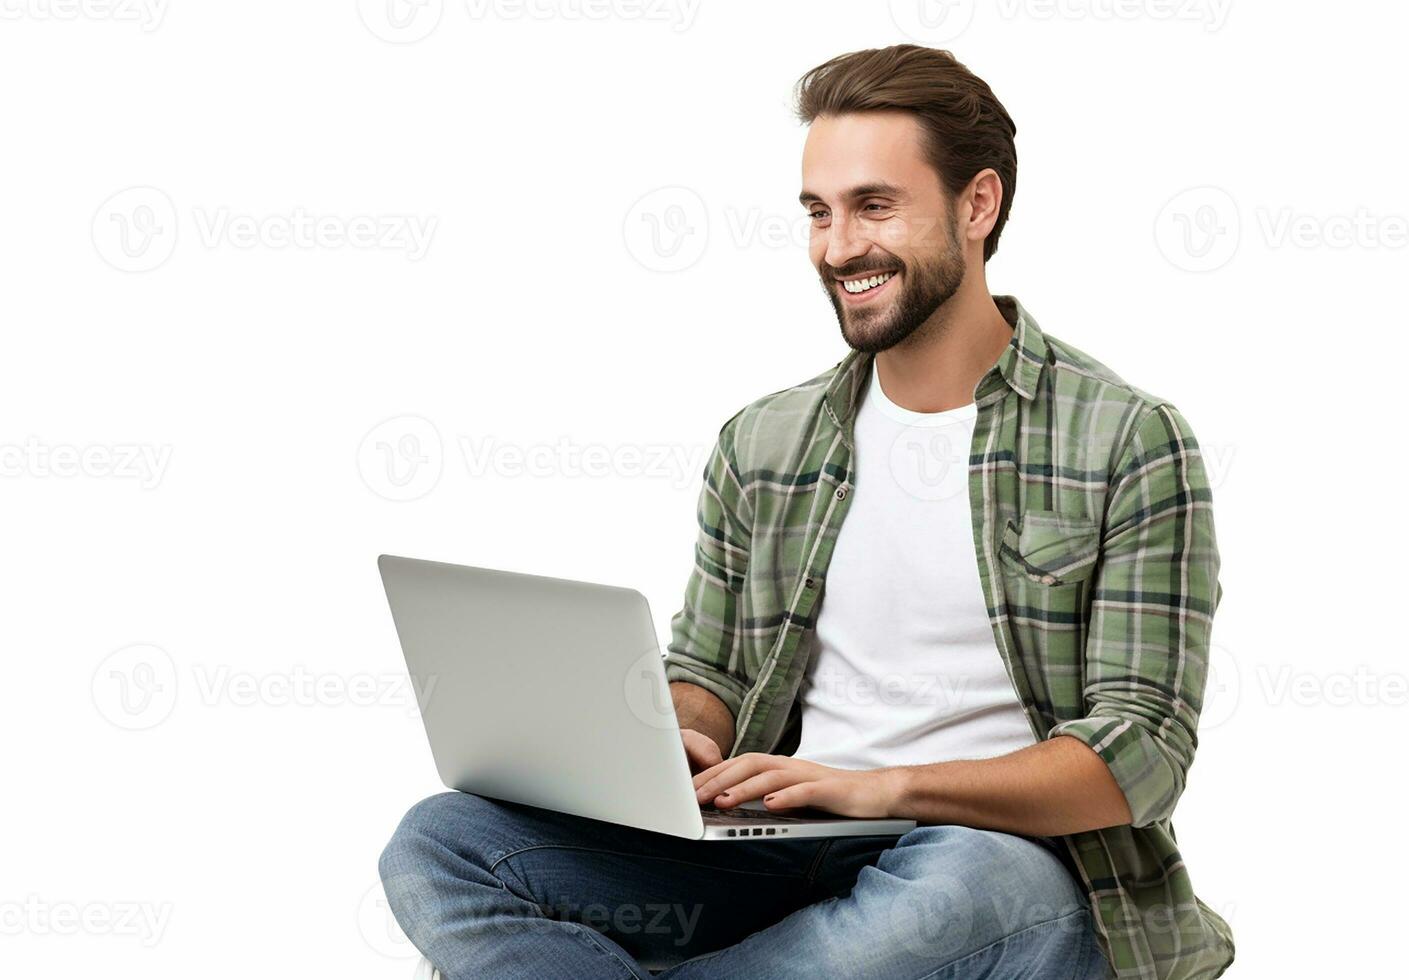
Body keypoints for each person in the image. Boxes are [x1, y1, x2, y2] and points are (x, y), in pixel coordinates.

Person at [380, 43, 1233, 979]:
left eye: (874, 205)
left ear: (977, 206)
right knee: (442, 841)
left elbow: (1140, 753)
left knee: (965, 886)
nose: (836, 248)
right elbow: (709, 666)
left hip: (992, 867)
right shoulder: (766, 441)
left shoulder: (1126, 440)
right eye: (818, 213)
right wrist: (671, 730)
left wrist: (883, 788)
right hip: (781, 847)